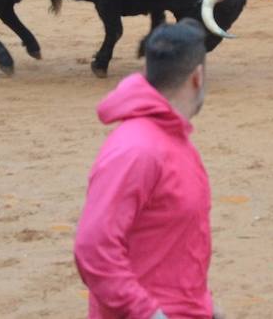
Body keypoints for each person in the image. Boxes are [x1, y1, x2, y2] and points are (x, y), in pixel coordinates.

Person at [73, 21, 217, 319]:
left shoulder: (171, 141)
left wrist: (206, 306)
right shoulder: (138, 150)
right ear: (197, 77)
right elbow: (93, 248)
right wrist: (149, 314)